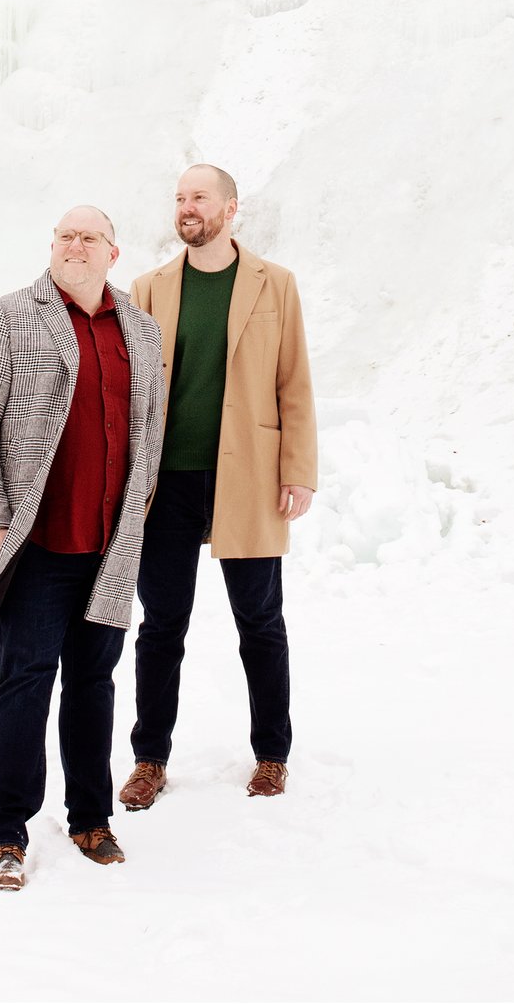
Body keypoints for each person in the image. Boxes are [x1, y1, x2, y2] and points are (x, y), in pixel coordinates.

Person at [0, 206, 167, 892]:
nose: (75, 246)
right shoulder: (7, 316)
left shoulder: (139, 328)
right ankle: (8, 831)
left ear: (113, 252)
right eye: (65, 235)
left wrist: (134, 517)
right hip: (36, 540)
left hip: (108, 546)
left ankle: (89, 818)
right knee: (24, 684)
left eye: (89, 237)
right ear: (53, 246)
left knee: (93, 684)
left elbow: (150, 434)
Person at [118, 164, 318, 809]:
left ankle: (271, 754)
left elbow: (294, 383)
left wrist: (299, 470)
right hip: (166, 482)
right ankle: (150, 759)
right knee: (161, 625)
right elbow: (127, 392)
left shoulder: (275, 285)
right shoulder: (148, 289)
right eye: (179, 197)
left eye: (199, 197)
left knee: (260, 621)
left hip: (249, 475)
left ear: (232, 208)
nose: (186, 207)